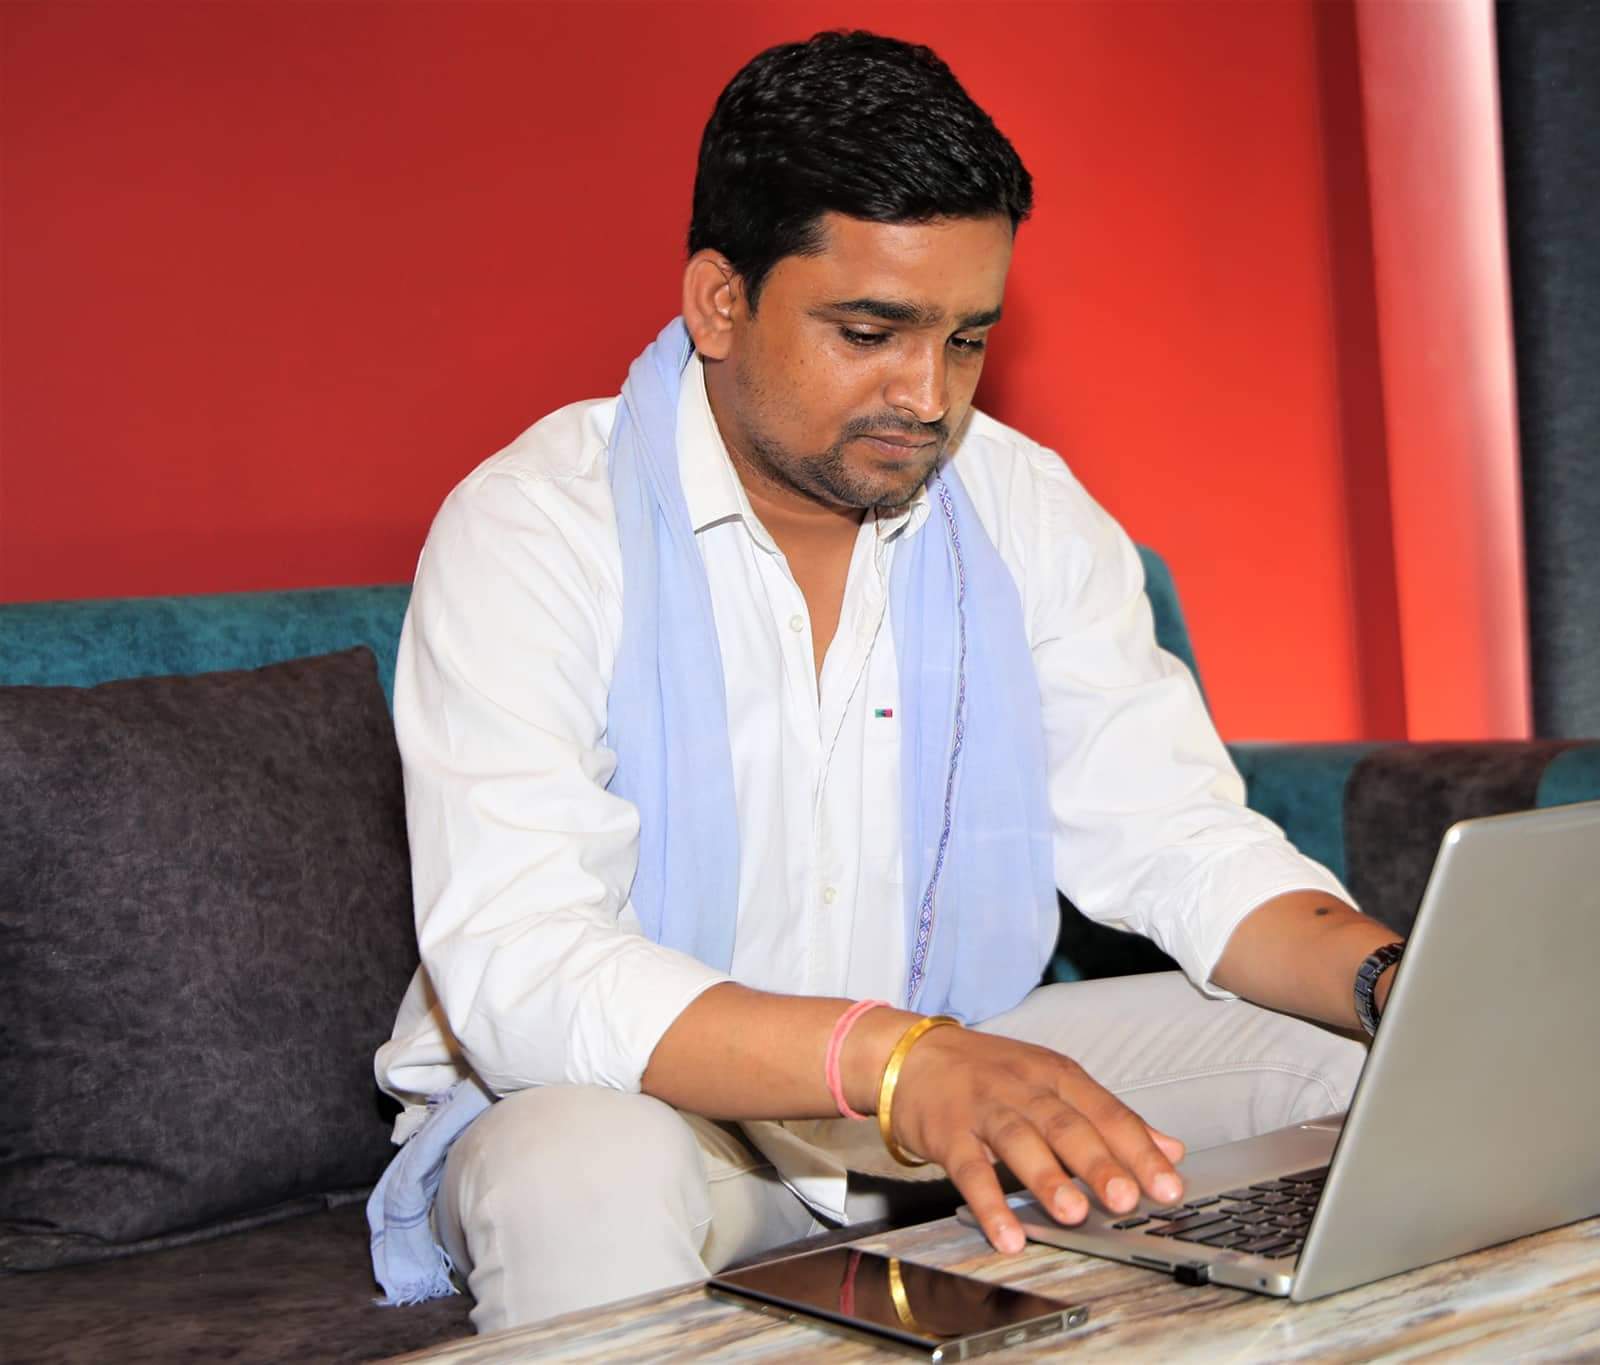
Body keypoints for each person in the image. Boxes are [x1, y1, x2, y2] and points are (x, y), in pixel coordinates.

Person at [366, 30, 1406, 1334]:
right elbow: (525, 963)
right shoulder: (536, 527)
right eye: (871, 331)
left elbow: (1178, 840)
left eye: (968, 339)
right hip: (664, 1116)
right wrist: (895, 1059)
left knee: (1365, 1064)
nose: (927, 395)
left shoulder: (1021, 506)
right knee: (574, 1168)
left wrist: (1396, 982)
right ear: (719, 301)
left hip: (945, 1058)